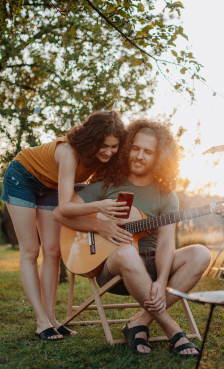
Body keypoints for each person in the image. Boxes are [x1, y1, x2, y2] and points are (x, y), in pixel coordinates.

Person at [53, 119, 211, 356]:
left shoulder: (167, 196)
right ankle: (173, 330)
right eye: (135, 148)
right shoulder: (107, 186)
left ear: (159, 157)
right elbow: (61, 213)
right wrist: (101, 226)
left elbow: (167, 243)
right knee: (127, 250)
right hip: (114, 268)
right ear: (127, 149)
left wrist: (161, 280)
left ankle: (140, 323)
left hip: (152, 265)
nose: (139, 156)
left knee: (201, 253)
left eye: (148, 152)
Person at [1, 110, 129, 341]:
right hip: (22, 178)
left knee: (53, 251)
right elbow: (65, 208)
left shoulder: (103, 160)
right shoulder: (69, 152)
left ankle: (52, 320)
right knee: (31, 250)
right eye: (104, 146)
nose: (109, 152)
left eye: (114, 146)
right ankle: (41, 321)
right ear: (92, 139)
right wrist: (100, 206)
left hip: (51, 185)